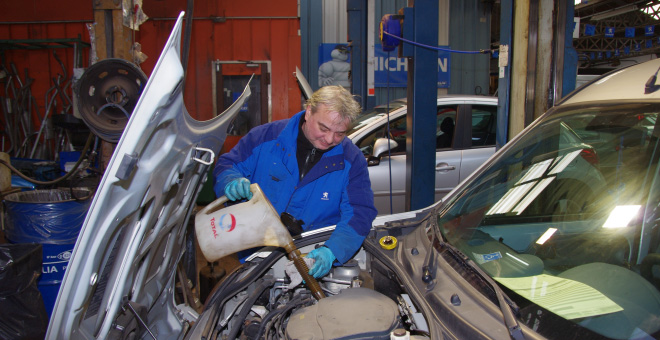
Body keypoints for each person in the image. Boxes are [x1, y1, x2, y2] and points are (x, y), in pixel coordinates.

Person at [213, 86, 377, 279]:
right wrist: (230, 180)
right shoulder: (265, 138)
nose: (329, 139)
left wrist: (332, 251)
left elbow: (360, 212)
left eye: (339, 133)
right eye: (323, 128)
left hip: (314, 256)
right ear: (308, 112)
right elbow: (228, 164)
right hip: (258, 254)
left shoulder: (352, 160)